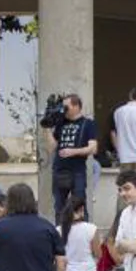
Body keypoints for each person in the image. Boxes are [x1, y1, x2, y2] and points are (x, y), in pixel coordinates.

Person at [43, 94, 98, 222]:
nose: (63, 110)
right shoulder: (61, 123)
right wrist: (47, 128)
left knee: (79, 206)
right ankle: (60, 235)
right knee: (59, 207)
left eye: (66, 107)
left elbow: (93, 148)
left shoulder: (88, 123)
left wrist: (73, 152)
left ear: (76, 106)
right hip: (59, 170)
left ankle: (83, 236)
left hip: (77, 171)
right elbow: (52, 148)